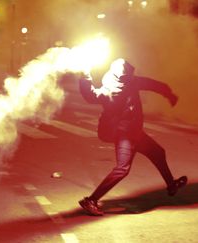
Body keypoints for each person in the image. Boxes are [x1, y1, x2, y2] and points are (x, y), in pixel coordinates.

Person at [78, 58, 188, 216]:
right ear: (121, 77)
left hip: (135, 132)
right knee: (122, 169)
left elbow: (151, 84)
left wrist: (168, 93)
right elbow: (90, 95)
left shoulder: (131, 81)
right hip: (124, 134)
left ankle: (171, 185)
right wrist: (85, 76)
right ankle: (91, 200)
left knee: (158, 152)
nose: (132, 77)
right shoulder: (109, 90)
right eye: (128, 75)